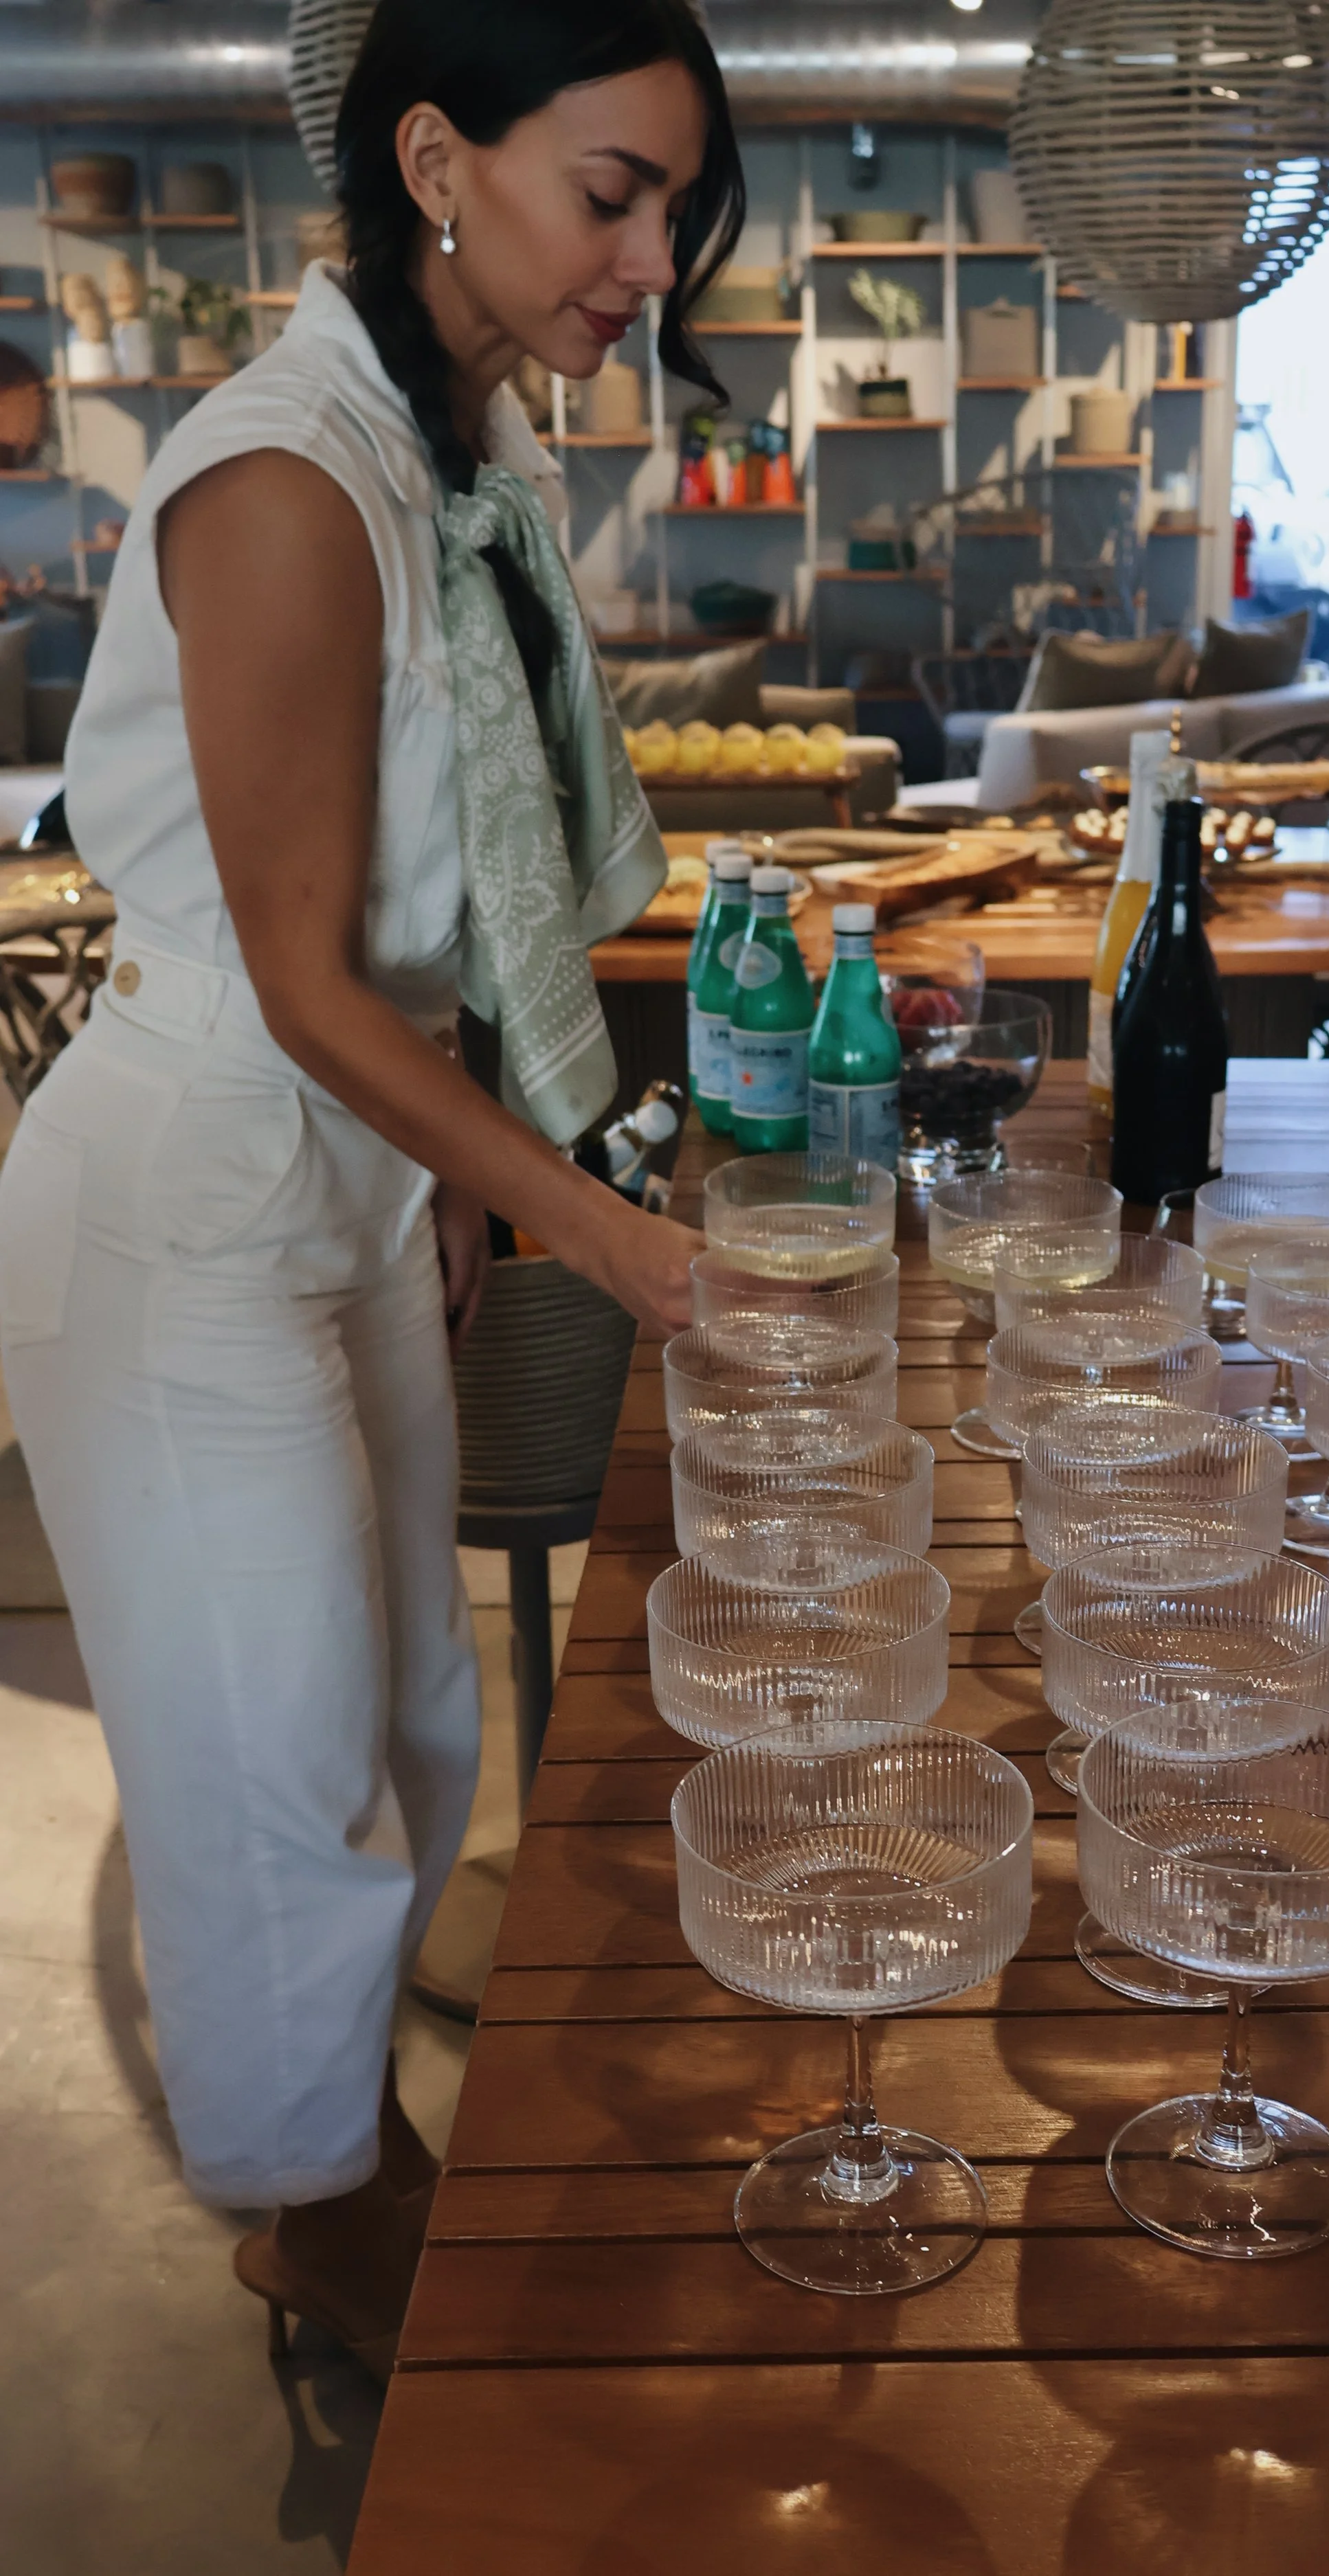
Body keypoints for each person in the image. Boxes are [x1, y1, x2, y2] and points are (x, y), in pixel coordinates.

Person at [0, 0, 744, 2380]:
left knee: (419, 1714)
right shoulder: (288, 480)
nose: (648, 257)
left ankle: (321, 2177)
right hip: (199, 1182)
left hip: (342, 1157)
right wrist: (600, 1220)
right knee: (271, 1762)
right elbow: (305, 979)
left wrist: (449, 1178)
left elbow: (385, 976)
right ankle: (342, 2228)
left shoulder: (449, 445)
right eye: (610, 190)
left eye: (670, 208)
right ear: (439, 156)